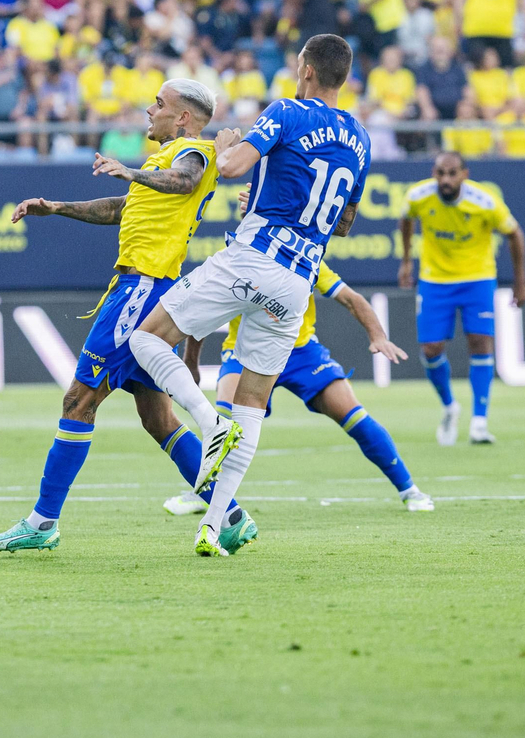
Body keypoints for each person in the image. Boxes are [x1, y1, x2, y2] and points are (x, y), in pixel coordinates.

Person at [127, 34, 379, 557]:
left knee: (146, 341)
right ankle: (213, 528)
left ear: (307, 70)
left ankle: (206, 420)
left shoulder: (287, 111)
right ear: (344, 77)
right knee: (254, 403)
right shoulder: (360, 138)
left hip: (254, 256)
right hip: (298, 280)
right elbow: (347, 223)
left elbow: (235, 165)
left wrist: (223, 148)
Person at [0, 79, 254, 554]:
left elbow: (185, 181)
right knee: (158, 420)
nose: (150, 110)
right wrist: (58, 207)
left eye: (160, 104)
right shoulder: (161, 160)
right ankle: (229, 516)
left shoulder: (193, 152)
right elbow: (122, 209)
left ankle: (42, 522)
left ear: (183, 117)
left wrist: (128, 171)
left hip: (141, 291)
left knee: (78, 402)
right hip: (146, 290)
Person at [162, 196, 426, 515]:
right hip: (244, 353)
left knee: (355, 417)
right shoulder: (233, 258)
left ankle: (410, 489)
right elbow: (201, 316)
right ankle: (203, 492)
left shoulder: (305, 259)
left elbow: (352, 299)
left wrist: (378, 335)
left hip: (300, 351)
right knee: (223, 424)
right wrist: (191, 362)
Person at [397, 151, 525, 446]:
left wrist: (520, 283)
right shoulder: (418, 196)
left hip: (477, 278)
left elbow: (515, 234)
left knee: (480, 341)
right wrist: (407, 260)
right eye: (441, 173)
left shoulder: (485, 202)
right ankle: (449, 406)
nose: (446, 179)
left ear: (464, 174)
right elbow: (405, 219)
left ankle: (479, 422)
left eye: (452, 173)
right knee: (431, 349)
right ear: (434, 173)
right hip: (435, 280)